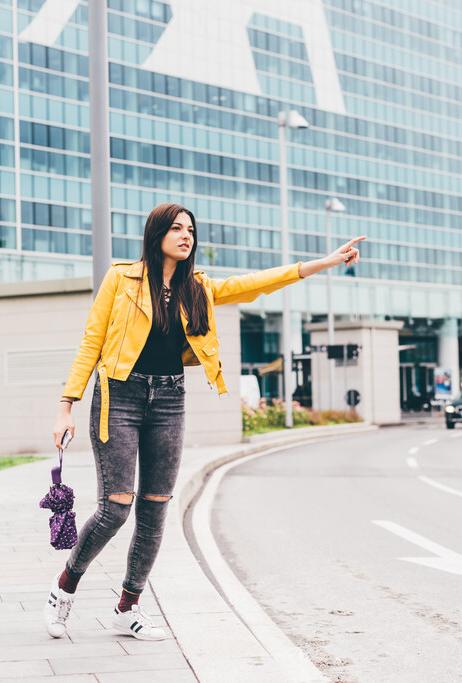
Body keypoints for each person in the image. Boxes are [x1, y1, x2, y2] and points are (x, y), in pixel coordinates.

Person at [45, 202, 365, 640]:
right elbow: (91, 341)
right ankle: (65, 587)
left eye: (190, 230)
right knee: (116, 509)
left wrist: (323, 263)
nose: (185, 236)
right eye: (176, 228)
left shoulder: (197, 288)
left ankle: (128, 605)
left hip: (169, 398)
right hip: (118, 394)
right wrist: (67, 404)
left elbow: (256, 284)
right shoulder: (121, 278)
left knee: (156, 509)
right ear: (156, 234)